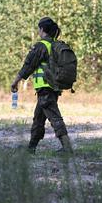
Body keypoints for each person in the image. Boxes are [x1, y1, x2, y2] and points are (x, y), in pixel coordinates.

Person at [11, 17, 73, 154]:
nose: (38, 31)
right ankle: (31, 148)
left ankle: (67, 147)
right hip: (53, 88)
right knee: (38, 118)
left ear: (42, 30)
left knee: (54, 116)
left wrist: (15, 81)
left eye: (39, 28)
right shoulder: (55, 45)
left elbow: (28, 66)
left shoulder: (41, 46)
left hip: (45, 88)